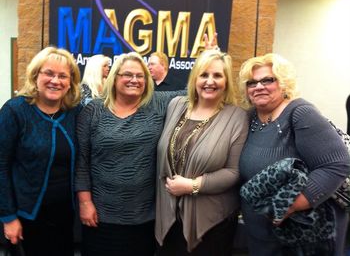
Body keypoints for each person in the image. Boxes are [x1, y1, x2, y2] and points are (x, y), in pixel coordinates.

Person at [237, 53, 350, 256]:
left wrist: (289, 205)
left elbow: (337, 163)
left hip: (303, 233)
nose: (258, 86)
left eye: (267, 80)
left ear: (283, 83)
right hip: (261, 233)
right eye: (251, 82)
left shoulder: (300, 112)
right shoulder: (249, 117)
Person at [75, 51, 184, 256]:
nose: (134, 80)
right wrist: (85, 202)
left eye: (140, 75)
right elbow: (81, 161)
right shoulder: (94, 110)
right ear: (114, 77)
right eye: (127, 74)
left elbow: (195, 91)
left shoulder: (158, 103)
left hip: (144, 216)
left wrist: (211, 54)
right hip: (100, 214)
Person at [155, 49, 249, 255]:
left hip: (211, 222)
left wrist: (192, 186)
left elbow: (233, 172)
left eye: (217, 75)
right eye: (204, 74)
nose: (210, 81)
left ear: (226, 81)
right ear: (194, 78)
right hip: (169, 216)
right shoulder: (176, 105)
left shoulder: (237, 117)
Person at [0, 46, 81, 256]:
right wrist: (8, 217)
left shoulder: (74, 113)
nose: (56, 80)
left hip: (65, 215)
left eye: (63, 76)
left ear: (70, 83)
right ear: (36, 76)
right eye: (49, 73)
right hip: (25, 217)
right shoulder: (15, 111)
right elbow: (0, 166)